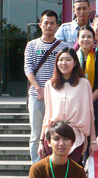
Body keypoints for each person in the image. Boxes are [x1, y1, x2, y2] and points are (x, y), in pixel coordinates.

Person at [38, 48, 98, 165]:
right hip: (53, 135)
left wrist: (93, 141)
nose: (63, 63)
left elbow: (90, 113)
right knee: (54, 171)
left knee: (72, 171)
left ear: (75, 62)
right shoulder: (50, 85)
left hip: (75, 137)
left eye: (68, 59)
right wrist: (41, 141)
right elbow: (47, 115)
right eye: (60, 60)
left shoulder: (84, 84)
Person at [24, 10, 68, 164]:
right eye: (46, 23)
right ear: (40, 25)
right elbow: (28, 68)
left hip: (57, 95)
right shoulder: (32, 45)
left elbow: (65, 70)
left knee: (57, 131)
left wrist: (53, 91)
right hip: (36, 95)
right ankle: (36, 165)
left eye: (52, 23)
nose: (49, 26)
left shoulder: (63, 46)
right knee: (36, 132)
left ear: (57, 26)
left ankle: (54, 163)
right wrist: (39, 88)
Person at [76, 26, 98, 130]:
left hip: (94, 101)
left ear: (94, 40)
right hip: (75, 101)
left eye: (89, 37)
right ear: (78, 39)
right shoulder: (72, 58)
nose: (85, 39)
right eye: (83, 36)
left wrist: (89, 100)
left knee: (93, 130)